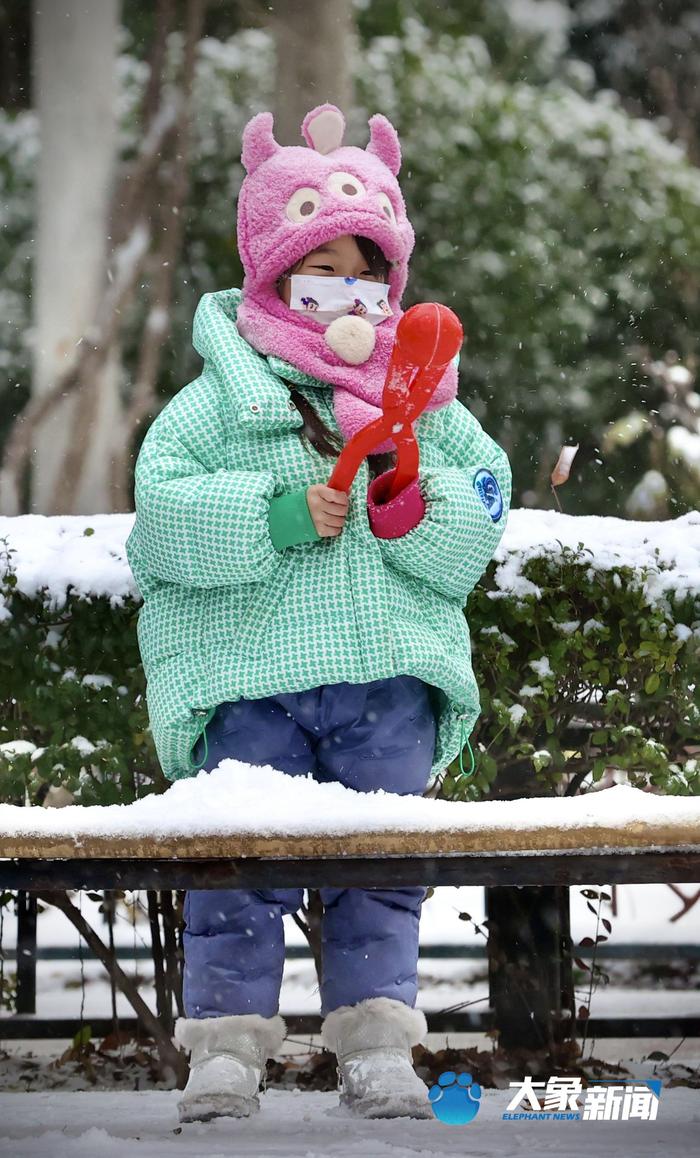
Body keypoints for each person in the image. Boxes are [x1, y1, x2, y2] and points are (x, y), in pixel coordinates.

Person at [125, 102, 512, 1124]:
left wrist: (408, 508)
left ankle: (378, 1041)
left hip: (388, 679)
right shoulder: (217, 403)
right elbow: (159, 523)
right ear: (271, 272)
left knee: (378, 870)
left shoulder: (427, 401)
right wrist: (278, 515)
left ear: (391, 281)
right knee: (239, 867)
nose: (345, 292)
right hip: (253, 678)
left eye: (364, 270)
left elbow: (480, 509)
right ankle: (225, 1050)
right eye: (318, 269)